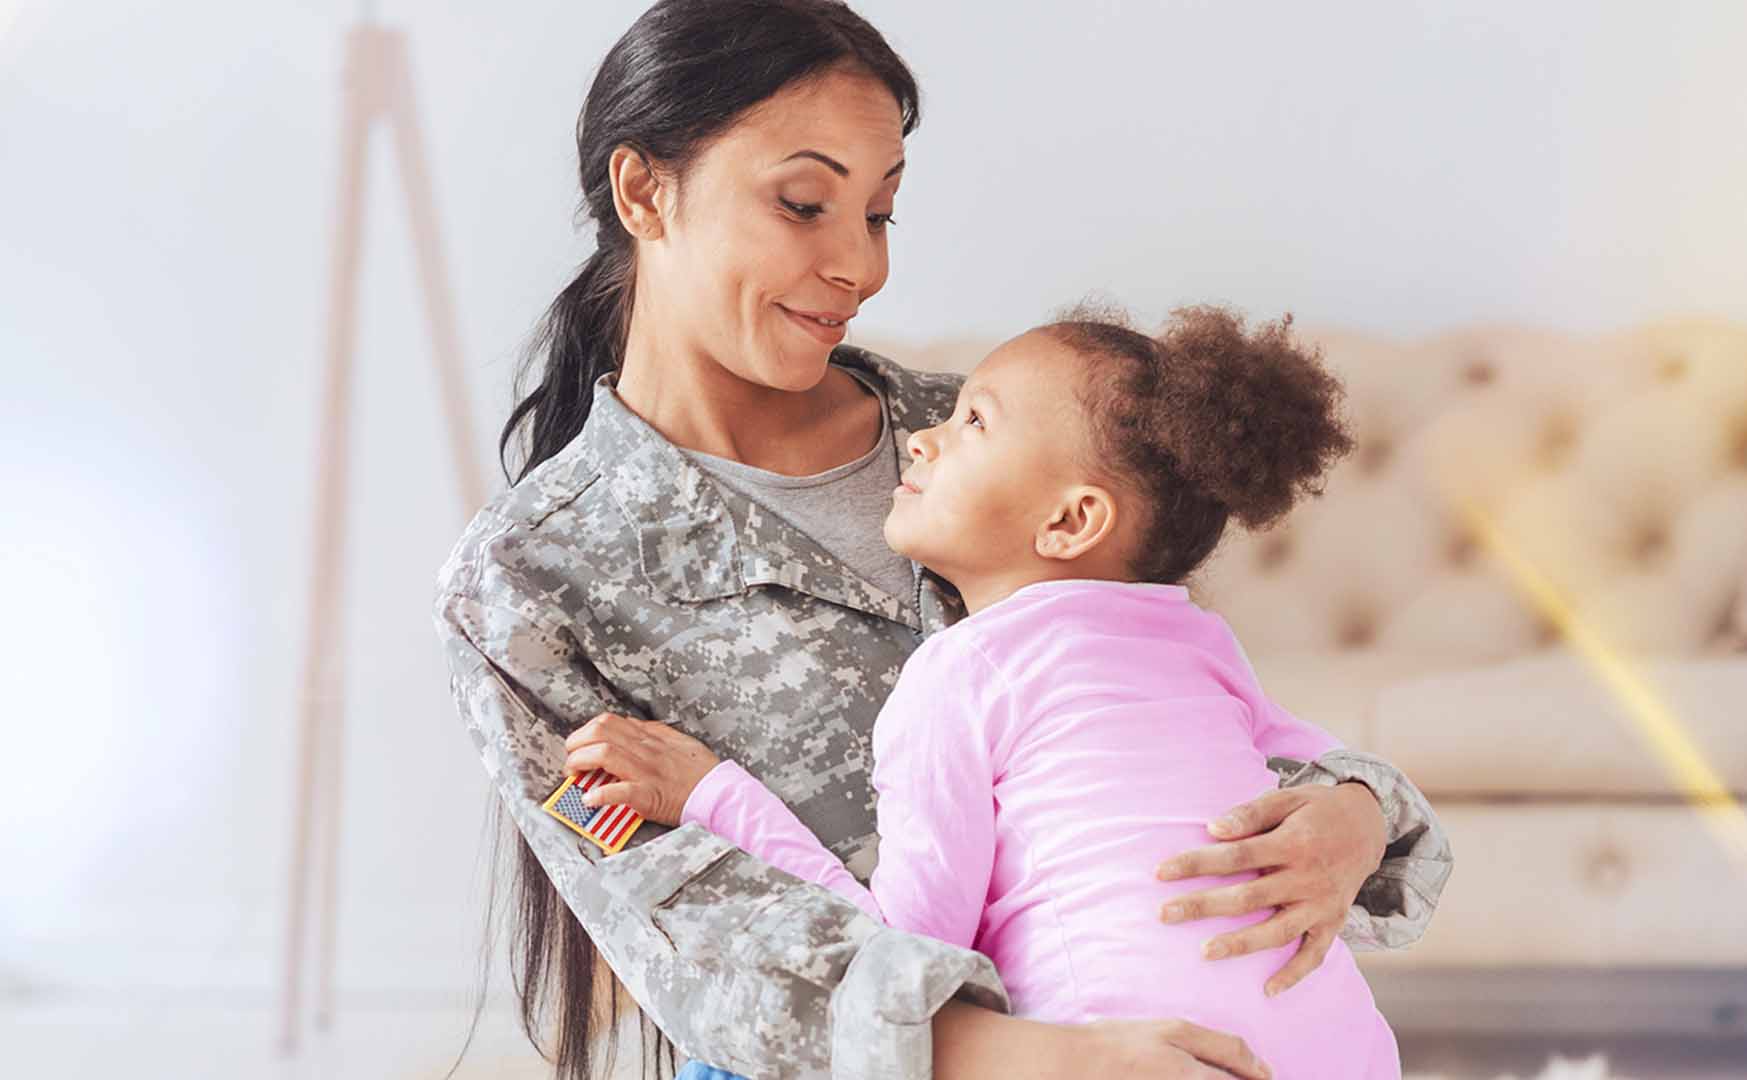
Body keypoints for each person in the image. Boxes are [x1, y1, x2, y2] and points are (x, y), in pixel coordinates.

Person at [431, 3, 1454, 1078]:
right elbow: (701, 935)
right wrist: (1031, 1058)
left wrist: (1351, 813)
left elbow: (1161, 713)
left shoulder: (983, 442)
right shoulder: (527, 584)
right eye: (804, 203)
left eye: (878, 215)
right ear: (645, 192)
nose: (858, 269)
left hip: (1147, 1025)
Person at [572, 304, 1405, 1080]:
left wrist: (713, 792)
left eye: (974, 421)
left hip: (1130, 1055)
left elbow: (904, 946)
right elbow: (1320, 770)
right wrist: (1361, 802)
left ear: (1071, 523)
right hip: (1349, 1051)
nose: (923, 439)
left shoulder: (963, 671)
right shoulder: (1200, 641)